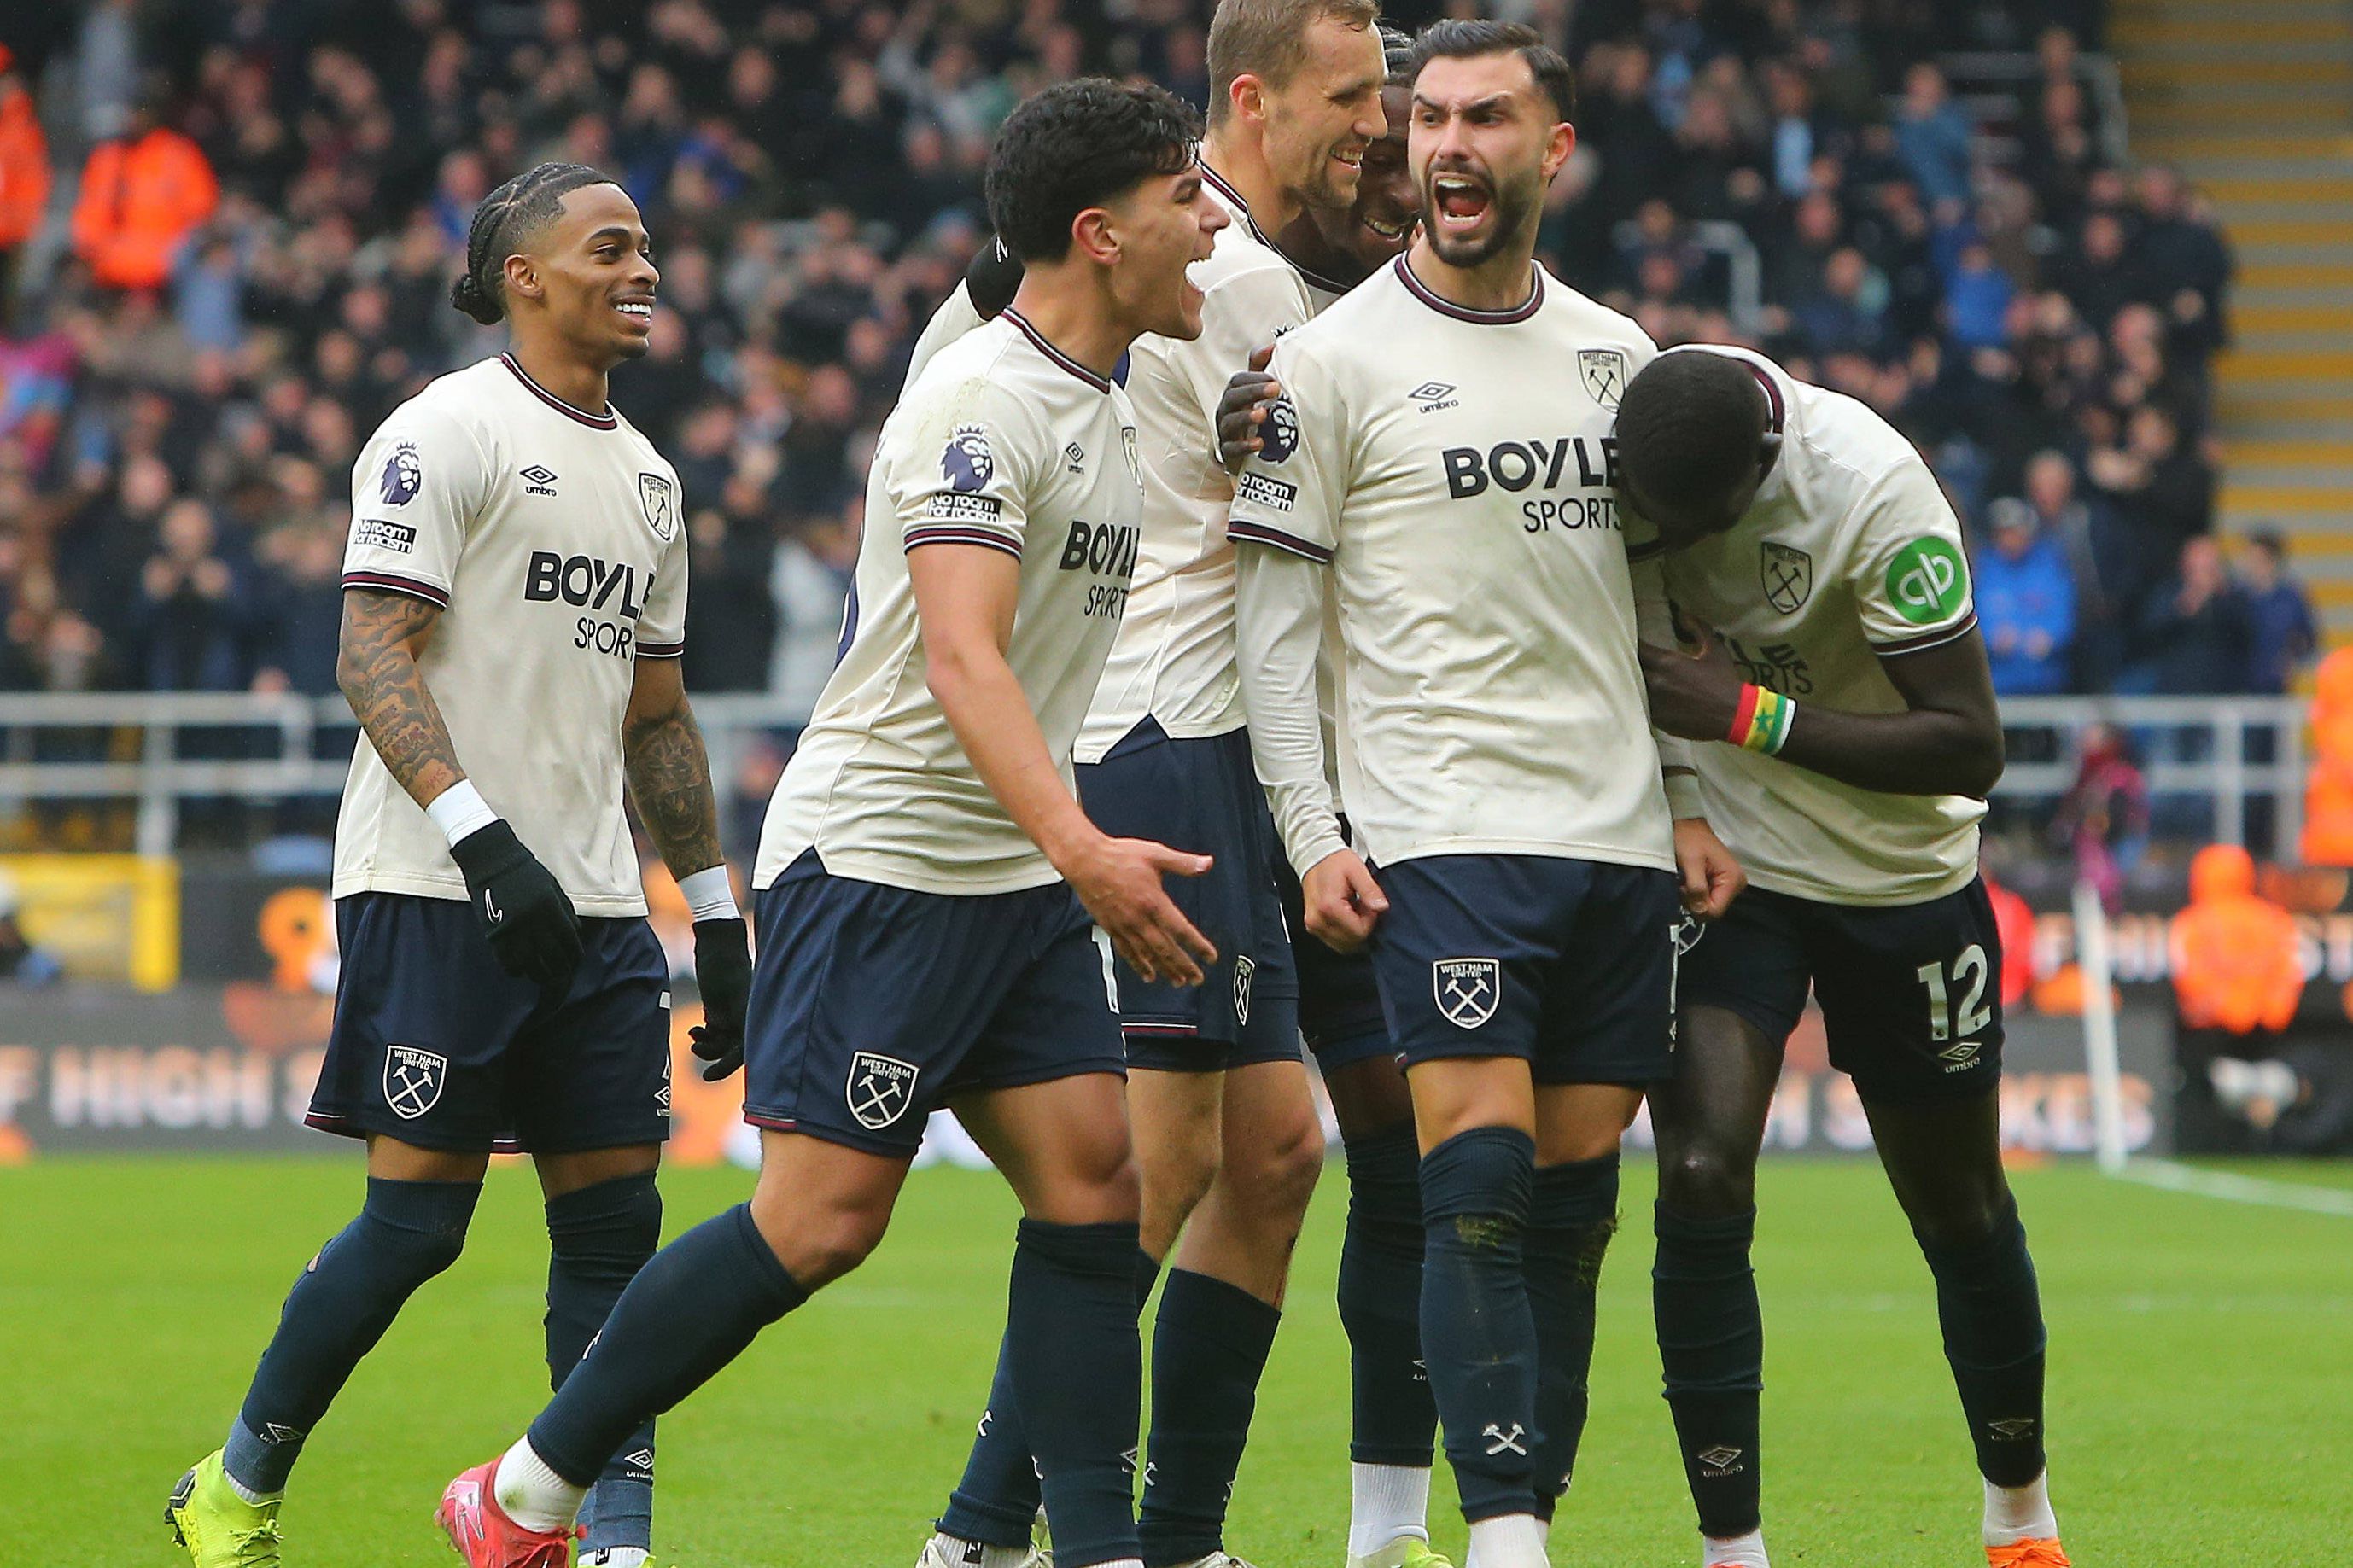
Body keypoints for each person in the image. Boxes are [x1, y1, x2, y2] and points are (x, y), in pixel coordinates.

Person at [438, 80, 1225, 1568]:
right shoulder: (983, 404)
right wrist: (1086, 848)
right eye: (1190, 197)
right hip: (886, 862)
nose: (1213, 223)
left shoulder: (1107, 396)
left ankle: (1098, 1549)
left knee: (1092, 1185)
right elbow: (960, 655)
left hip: (1005, 873)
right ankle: (527, 1489)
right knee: (818, 1222)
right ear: (1097, 230)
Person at [166, 162, 751, 1568]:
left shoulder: (654, 481)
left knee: (615, 1232)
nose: (643, 269)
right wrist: (484, 842)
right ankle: (233, 1490)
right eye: (610, 248)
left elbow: (656, 717)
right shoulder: (444, 433)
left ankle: (603, 1539)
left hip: (603, 905)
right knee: (417, 1228)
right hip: (441, 889)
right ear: (522, 276)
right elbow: (371, 652)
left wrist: (716, 910)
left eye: (649, 248)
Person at [1230, 24, 1743, 1568]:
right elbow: (1273, 629)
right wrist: (1311, 833)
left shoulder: (1624, 359)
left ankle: (1518, 1504)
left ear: (1551, 146)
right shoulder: (1325, 367)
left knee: (1576, 1201)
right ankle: (1502, 1536)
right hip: (1439, 833)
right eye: (1428, 118)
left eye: (1484, 118)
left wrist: (1693, 798)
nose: (1448, 145)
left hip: (1614, 840)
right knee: (1474, 1182)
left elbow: (1667, 624)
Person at [929, 9, 1387, 1568]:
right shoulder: (1209, 272)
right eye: (1354, 97)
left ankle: (1178, 1535)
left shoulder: (1212, 266)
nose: (1377, 129)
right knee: (1162, 1161)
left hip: (1226, 748)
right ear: (1253, 102)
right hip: (1159, 732)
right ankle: (988, 1531)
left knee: (1273, 1150)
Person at [1615, 343, 2068, 1568]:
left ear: (1764, 469)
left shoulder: (1874, 493)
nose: (1676, 541)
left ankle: (2019, 1519)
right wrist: (1690, 793)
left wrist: (1745, 714)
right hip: (1737, 868)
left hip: (1901, 881)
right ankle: (1733, 1549)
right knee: (1701, 1174)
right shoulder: (1650, 443)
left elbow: (1970, 746)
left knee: (1958, 1208)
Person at [2239, 528, 2318, 697]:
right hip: (2239, 687)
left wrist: (2291, 655)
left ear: (2272, 561)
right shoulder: (2236, 597)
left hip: (2275, 687)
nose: (2249, 564)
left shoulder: (2290, 599)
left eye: (2256, 559)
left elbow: (2308, 639)